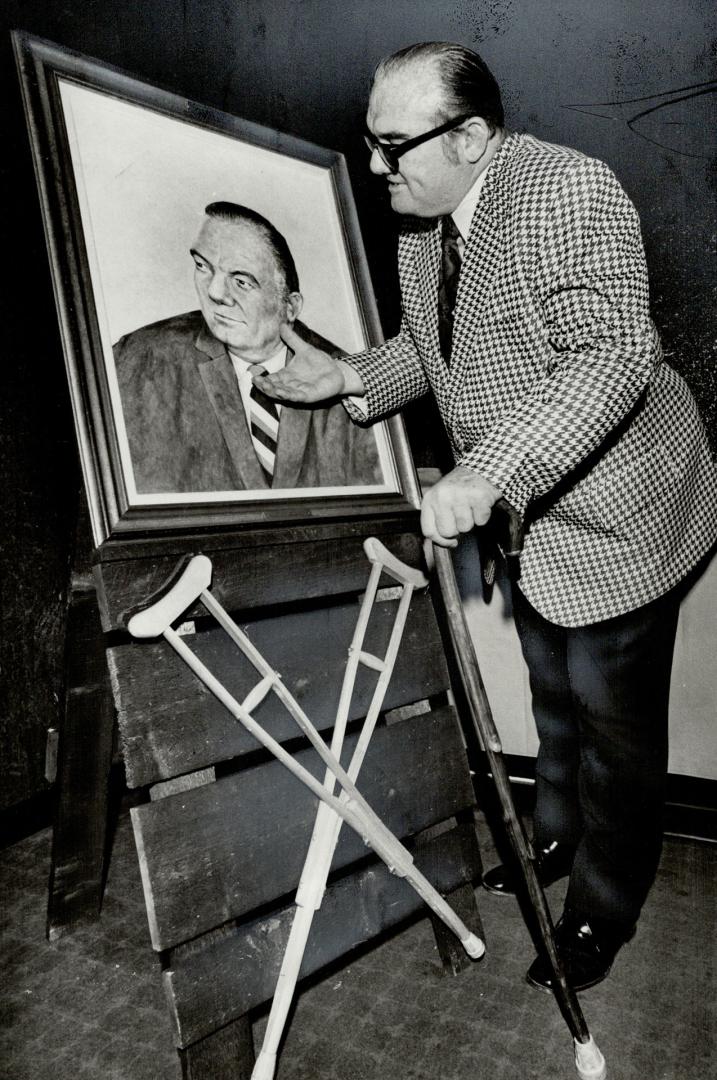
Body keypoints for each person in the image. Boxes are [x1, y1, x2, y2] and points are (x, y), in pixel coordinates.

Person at [254, 41, 717, 991]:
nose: (375, 168)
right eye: (370, 145)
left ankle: (601, 908)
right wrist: (346, 376)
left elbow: (609, 358)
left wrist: (487, 470)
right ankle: (551, 841)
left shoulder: (570, 194)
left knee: (615, 734)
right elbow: (441, 352)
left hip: (622, 514)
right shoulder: (424, 222)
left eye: (393, 147)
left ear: (469, 137)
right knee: (553, 698)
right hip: (536, 514)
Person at [113, 202, 381, 493]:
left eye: (241, 282)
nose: (215, 293)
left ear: (290, 307)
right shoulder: (138, 358)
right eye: (203, 267)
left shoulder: (351, 380)